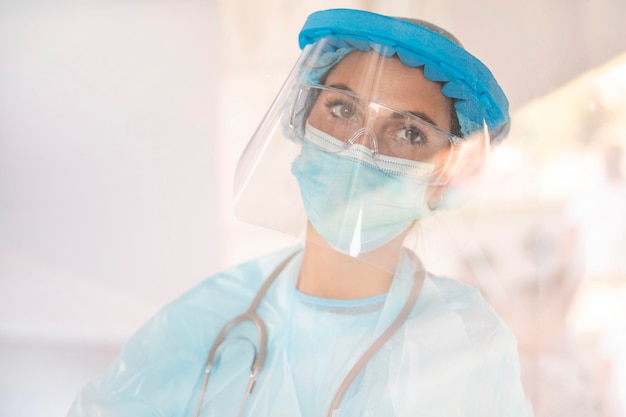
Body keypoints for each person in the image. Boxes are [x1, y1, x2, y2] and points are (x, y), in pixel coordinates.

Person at [68, 9, 532, 417]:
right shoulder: (204, 321)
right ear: (301, 121)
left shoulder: (465, 345)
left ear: (443, 179)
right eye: (342, 108)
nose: (359, 148)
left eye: (408, 132)